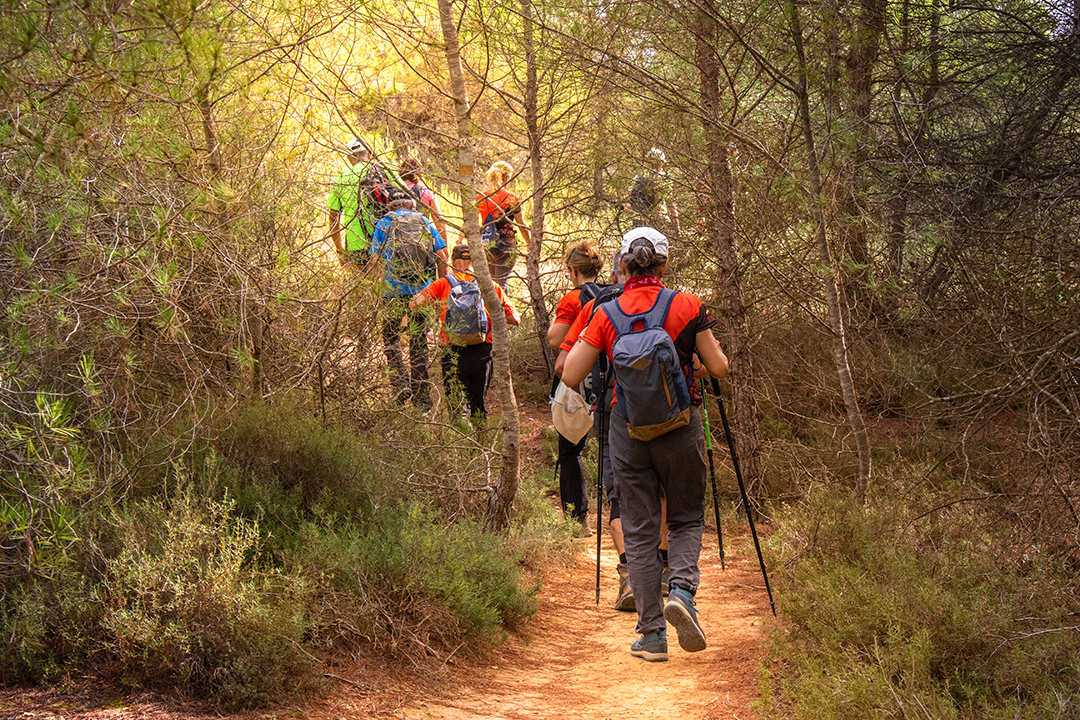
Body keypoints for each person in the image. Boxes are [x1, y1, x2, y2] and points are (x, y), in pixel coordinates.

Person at [562, 227, 728, 663]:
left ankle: (653, 635)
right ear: (663, 263)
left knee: (638, 528)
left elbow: (570, 374)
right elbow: (718, 367)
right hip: (681, 423)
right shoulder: (687, 304)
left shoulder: (606, 311)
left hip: (628, 428)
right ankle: (683, 593)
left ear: (622, 265)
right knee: (687, 517)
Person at [554, 249, 670, 613]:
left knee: (618, 492)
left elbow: (562, 363)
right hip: (665, 413)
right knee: (661, 487)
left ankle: (629, 575)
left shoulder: (596, 307)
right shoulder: (670, 304)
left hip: (612, 410)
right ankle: (664, 570)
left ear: (622, 266)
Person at [410, 244, 520, 422]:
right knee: (478, 404)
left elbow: (415, 303)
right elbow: (515, 318)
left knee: (456, 406)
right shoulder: (490, 286)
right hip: (482, 350)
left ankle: (459, 446)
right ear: (476, 261)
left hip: (452, 350)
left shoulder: (443, 283)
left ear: (453, 262)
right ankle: (480, 444)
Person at [369, 197, 449, 408]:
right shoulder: (424, 220)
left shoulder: (384, 223)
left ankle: (400, 385)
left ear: (388, 207)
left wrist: (374, 291)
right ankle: (423, 402)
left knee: (390, 336)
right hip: (421, 292)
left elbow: (375, 260)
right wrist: (441, 291)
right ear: (412, 207)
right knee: (418, 342)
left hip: (391, 291)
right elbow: (442, 255)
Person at [548, 242, 605, 529]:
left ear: (572, 270)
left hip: (576, 380)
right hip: (610, 379)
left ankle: (576, 520)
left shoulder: (572, 299)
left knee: (571, 450)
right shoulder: (612, 294)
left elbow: (555, 339)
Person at [477, 160, 531, 289]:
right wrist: (530, 244)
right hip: (507, 244)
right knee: (501, 284)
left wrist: (460, 240)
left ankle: (491, 309)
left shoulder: (481, 197)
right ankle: (503, 309)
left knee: (491, 285)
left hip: (487, 244)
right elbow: (521, 224)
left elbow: (469, 223)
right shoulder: (511, 198)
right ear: (507, 178)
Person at [622, 148, 680, 240]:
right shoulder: (664, 179)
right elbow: (670, 205)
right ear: (661, 162)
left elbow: (626, 199)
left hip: (639, 220)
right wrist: (676, 227)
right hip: (659, 220)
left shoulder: (638, 177)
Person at [400, 156, 448, 250]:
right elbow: (439, 221)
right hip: (422, 239)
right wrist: (444, 246)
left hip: (400, 239)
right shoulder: (425, 192)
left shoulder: (394, 190)